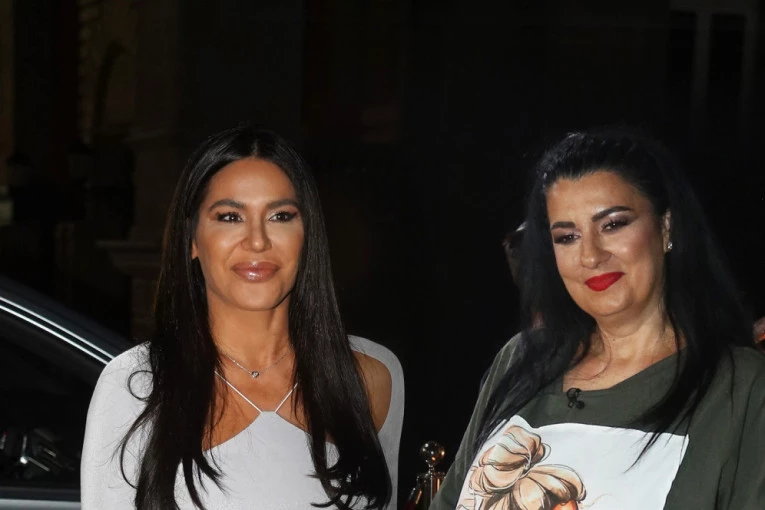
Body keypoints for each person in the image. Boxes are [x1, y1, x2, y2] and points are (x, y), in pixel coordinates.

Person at [430, 127, 765, 510]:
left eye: (613, 224)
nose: (590, 255)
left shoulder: (741, 388)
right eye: (567, 237)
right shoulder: (520, 360)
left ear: (666, 226)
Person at [81, 123, 404, 509]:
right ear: (192, 240)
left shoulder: (372, 377)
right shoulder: (136, 386)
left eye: (280, 216)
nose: (257, 241)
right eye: (230, 217)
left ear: (307, 235)